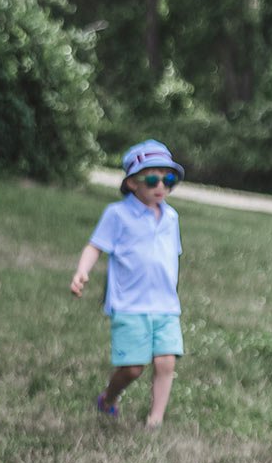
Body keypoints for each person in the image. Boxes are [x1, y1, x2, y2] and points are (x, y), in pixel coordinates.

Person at [70, 139, 186, 428]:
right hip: (130, 304)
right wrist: (82, 271)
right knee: (133, 368)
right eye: (152, 178)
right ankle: (108, 399)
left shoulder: (171, 217)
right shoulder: (117, 214)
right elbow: (95, 246)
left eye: (168, 178)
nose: (161, 185)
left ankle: (155, 419)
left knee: (166, 363)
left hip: (165, 304)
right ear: (133, 183)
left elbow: (171, 257)